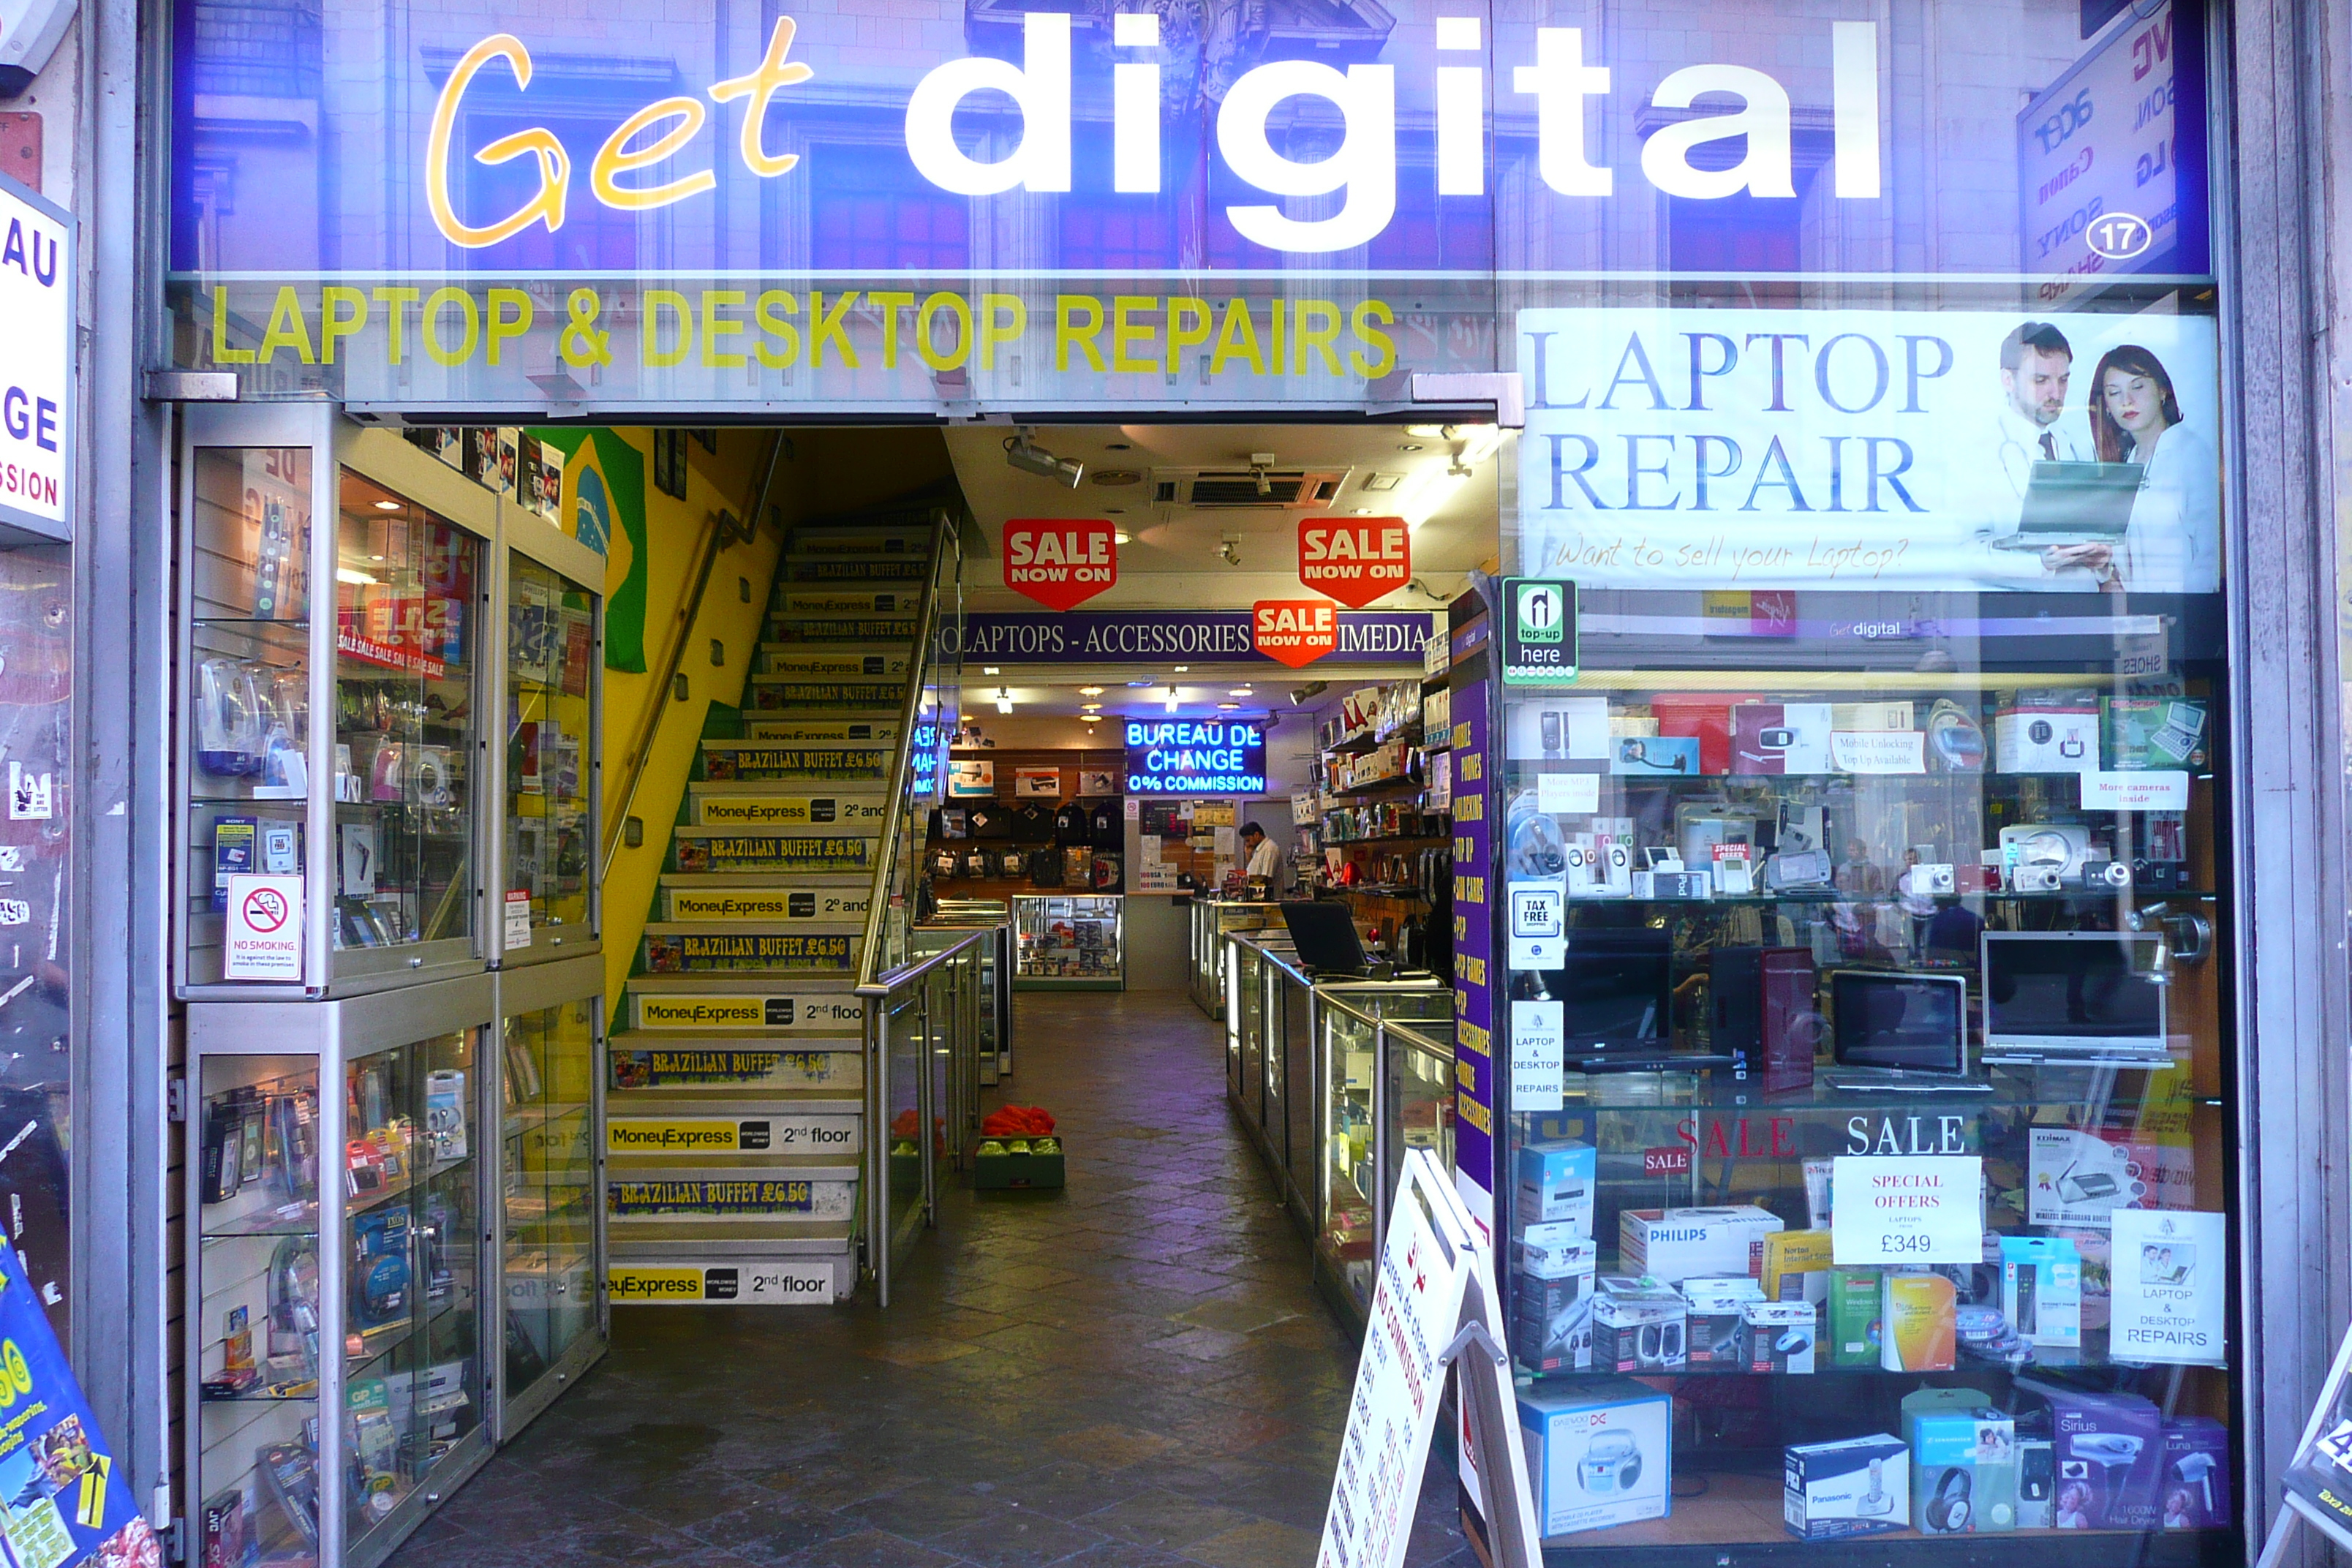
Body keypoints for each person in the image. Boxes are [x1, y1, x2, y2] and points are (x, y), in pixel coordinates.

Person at [2046, 344, 2222, 593]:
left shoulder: (2189, 452)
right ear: (2106, 405)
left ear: (2162, 390)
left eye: (2137, 387)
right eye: (2114, 393)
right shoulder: (2126, 464)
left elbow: (2210, 556)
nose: (2127, 401)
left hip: (2182, 616)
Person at [1994, 321, 2089, 513]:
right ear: (2008, 381)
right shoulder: (1981, 454)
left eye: (2063, 380)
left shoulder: (2076, 445)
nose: (2056, 393)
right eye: (2041, 380)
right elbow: (1965, 540)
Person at [1241, 821, 1284, 888]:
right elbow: (1255, 871)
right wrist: (1248, 856)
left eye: (1248, 840)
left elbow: (1266, 879)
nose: (1247, 845)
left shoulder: (1269, 849)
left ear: (1256, 835)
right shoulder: (1258, 849)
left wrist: (1249, 879)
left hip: (1267, 897)